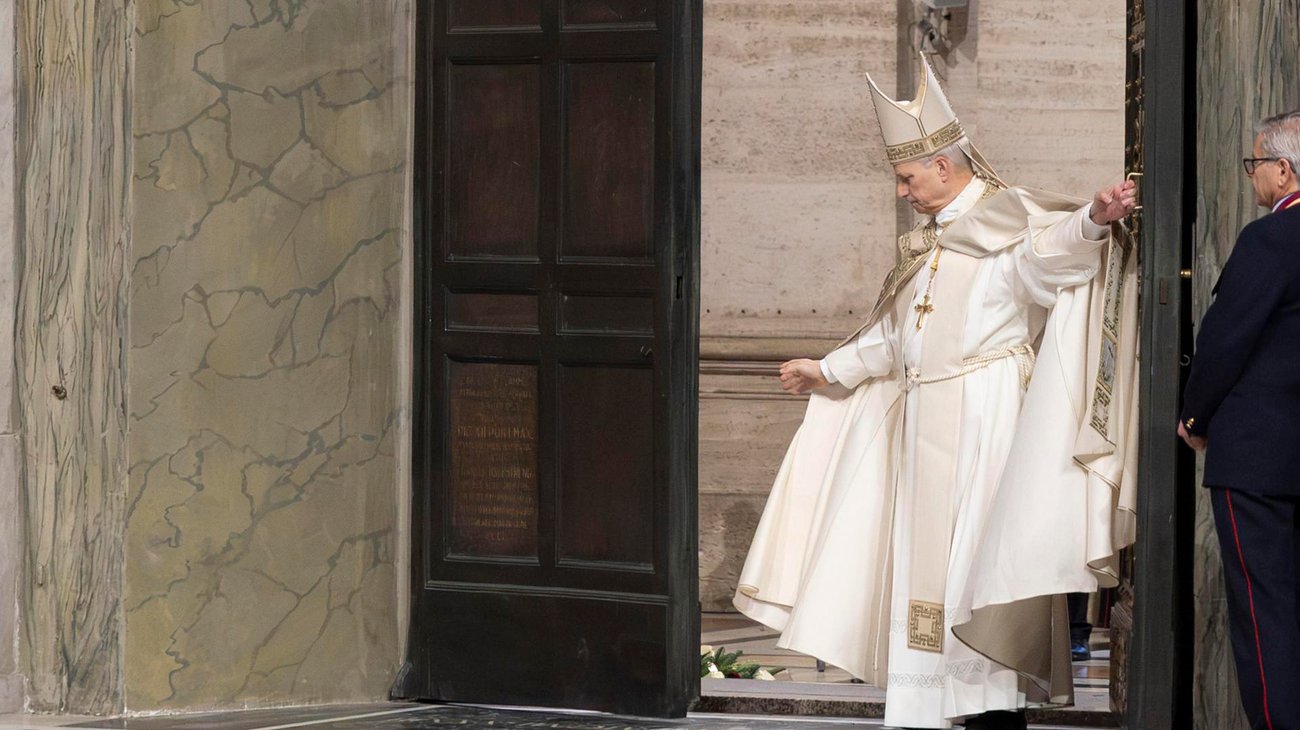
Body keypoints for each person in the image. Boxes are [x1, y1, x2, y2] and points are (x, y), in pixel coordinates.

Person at [733, 52, 1140, 730]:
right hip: (926, 420)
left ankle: (985, 703)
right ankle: (928, 702)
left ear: (944, 168)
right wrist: (826, 370)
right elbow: (894, 340)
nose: (902, 192)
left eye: (907, 176)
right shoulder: (927, 246)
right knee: (923, 572)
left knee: (976, 569)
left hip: (986, 420)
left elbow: (1051, 256)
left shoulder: (1005, 229)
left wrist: (1093, 220)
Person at [1179, 108, 1300, 730]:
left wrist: (1194, 414)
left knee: (1265, 611)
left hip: (1259, 457)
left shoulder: (1271, 237)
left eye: (1256, 165)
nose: (1253, 177)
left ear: (1284, 170)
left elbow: (1225, 339)